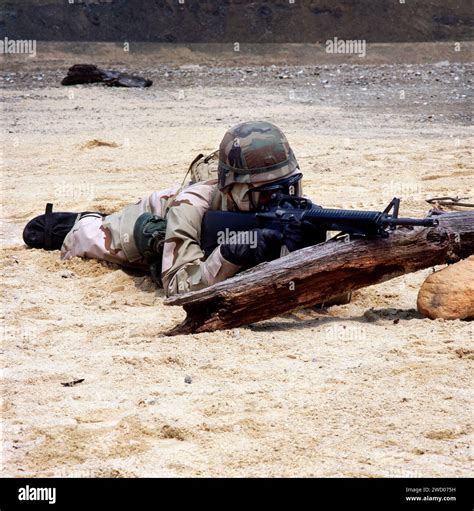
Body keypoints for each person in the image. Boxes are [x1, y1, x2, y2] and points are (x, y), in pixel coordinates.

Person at [23, 121, 321, 297]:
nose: (282, 199)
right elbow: (178, 287)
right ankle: (82, 220)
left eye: (288, 187)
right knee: (90, 237)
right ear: (232, 187)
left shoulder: (293, 210)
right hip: (156, 218)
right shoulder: (193, 204)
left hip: (197, 228)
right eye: (266, 194)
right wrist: (231, 254)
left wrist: (308, 254)